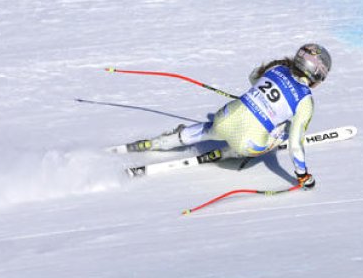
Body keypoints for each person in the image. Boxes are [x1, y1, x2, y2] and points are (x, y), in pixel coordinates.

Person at [125, 43, 332, 190]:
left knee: (209, 128)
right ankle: (229, 153)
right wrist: (303, 176)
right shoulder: (306, 101)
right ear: (317, 76)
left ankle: (159, 142)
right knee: (283, 131)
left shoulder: (278, 67)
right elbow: (296, 144)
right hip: (248, 144)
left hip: (225, 117)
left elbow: (253, 78)